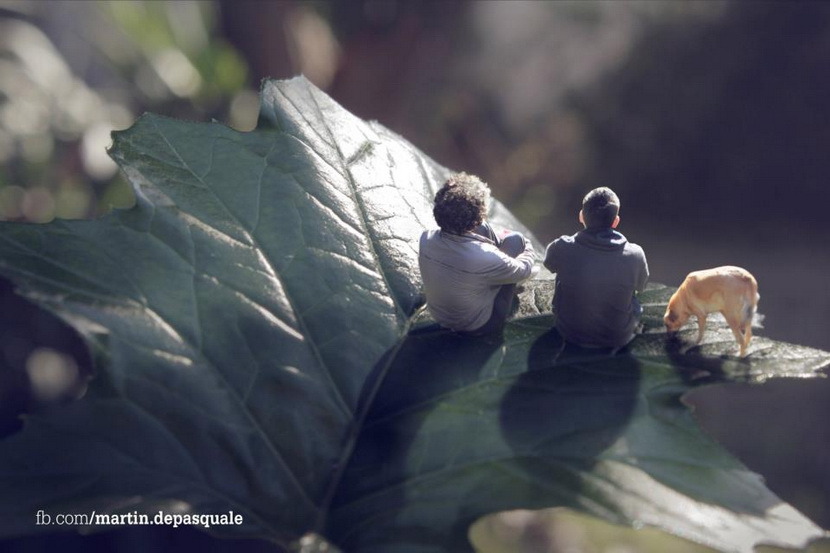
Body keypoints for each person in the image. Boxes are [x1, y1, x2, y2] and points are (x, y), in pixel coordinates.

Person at [418, 173, 536, 335]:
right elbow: (524, 269)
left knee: (485, 229)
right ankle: (503, 277)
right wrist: (527, 246)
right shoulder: (484, 257)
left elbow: (477, 234)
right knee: (515, 239)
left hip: (440, 316)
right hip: (478, 325)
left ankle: (495, 275)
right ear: (477, 214)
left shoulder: (426, 238)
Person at [543, 187, 648, 349]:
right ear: (616, 221)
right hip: (618, 337)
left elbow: (548, 264)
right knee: (635, 301)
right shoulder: (636, 253)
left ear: (581, 216)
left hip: (569, 332)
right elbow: (641, 287)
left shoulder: (561, 247)